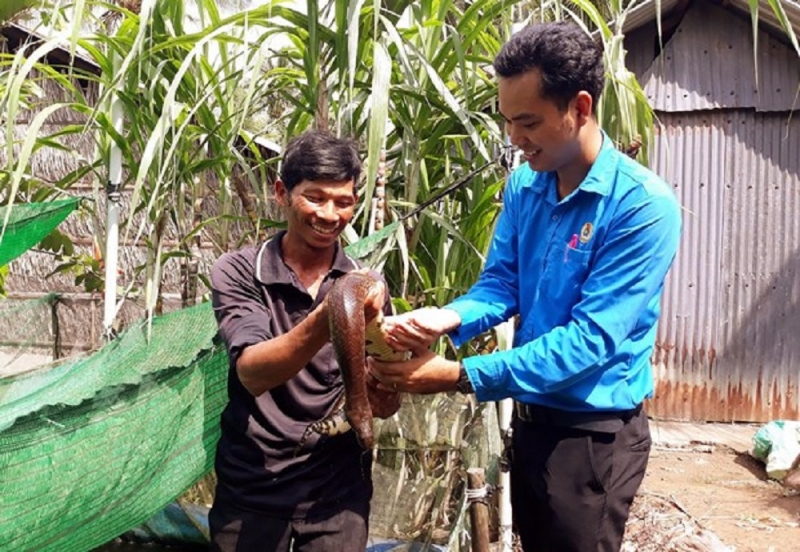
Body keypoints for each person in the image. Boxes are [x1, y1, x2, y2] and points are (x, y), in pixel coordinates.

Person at [369, 21, 682, 552]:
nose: (515, 138)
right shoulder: (525, 185)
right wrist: (444, 318)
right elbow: (501, 285)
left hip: (592, 436)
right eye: (509, 120)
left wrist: (459, 375)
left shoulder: (641, 207)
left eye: (529, 122)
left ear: (580, 108)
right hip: (533, 419)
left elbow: (589, 342)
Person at [209, 129, 394, 551]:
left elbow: (383, 394)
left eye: (344, 202)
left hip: (337, 496)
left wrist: (384, 395)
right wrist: (332, 311)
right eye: (315, 197)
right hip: (253, 489)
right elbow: (253, 374)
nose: (330, 215)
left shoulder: (367, 285)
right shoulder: (240, 271)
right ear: (281, 192)